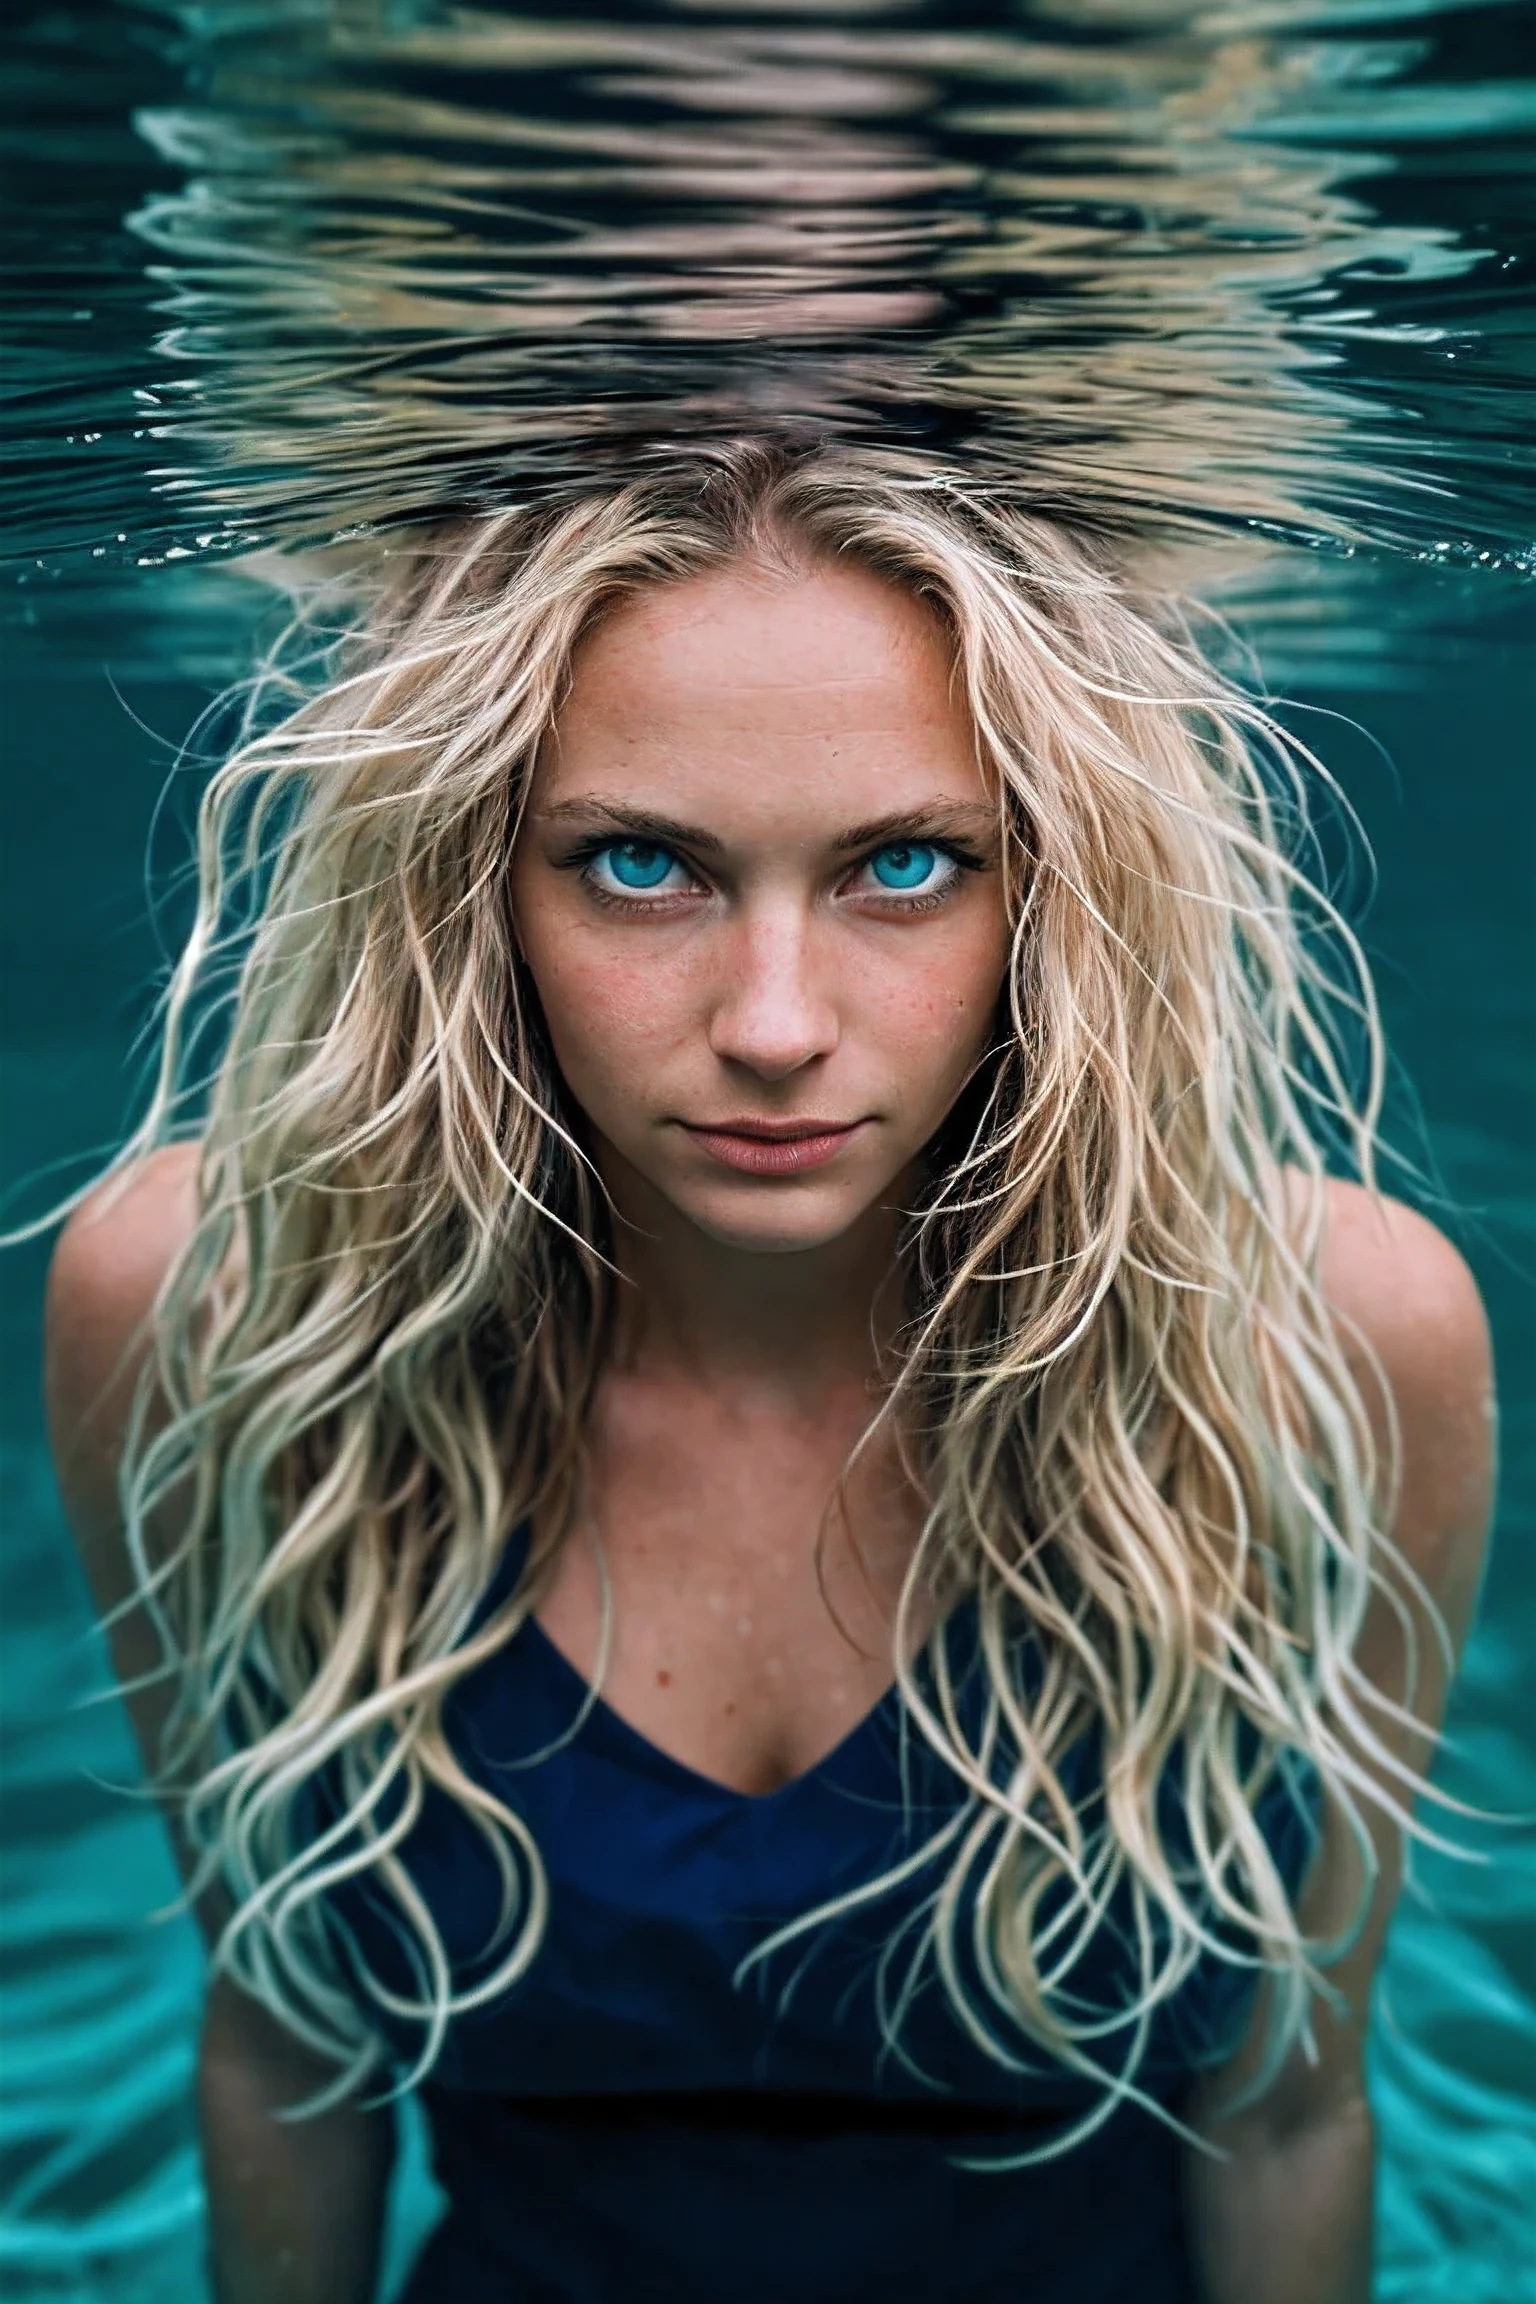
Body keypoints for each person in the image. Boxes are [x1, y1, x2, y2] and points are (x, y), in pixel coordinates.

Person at [43, 439, 1494, 2304]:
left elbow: (1287, 2107)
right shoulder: (208, 1308)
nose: (777, 1026)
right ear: (471, 883)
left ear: (1053, 893)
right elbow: (286, 2051)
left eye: (907, 864)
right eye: (639, 865)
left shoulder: (1330, 1343)